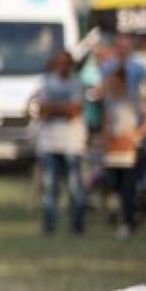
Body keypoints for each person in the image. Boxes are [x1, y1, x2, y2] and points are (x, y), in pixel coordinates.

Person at [32, 48, 88, 234]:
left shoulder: (76, 83)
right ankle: (49, 225)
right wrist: (61, 108)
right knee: (50, 186)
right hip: (50, 141)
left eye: (65, 63)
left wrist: (53, 108)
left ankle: (77, 225)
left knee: (73, 186)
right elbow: (41, 109)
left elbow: (74, 111)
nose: (61, 66)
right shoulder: (47, 82)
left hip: (72, 142)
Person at [96, 60, 146, 236]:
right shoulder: (110, 101)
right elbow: (106, 122)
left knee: (129, 187)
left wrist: (137, 134)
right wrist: (104, 140)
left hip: (130, 149)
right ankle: (120, 217)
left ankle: (130, 221)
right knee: (114, 185)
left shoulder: (134, 98)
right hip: (114, 148)